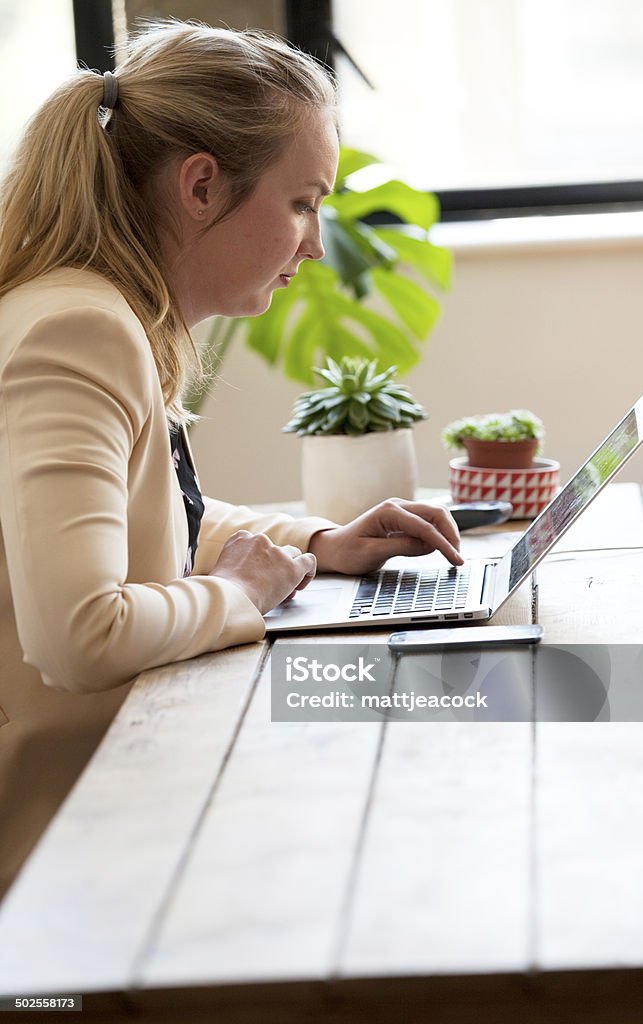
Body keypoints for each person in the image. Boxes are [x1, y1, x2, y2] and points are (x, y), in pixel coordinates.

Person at [0, 21, 462, 899]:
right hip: (57, 846)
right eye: (301, 203)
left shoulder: (102, 312)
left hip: (122, 793)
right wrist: (244, 593)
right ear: (202, 186)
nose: (316, 243)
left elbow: (157, 527)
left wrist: (315, 543)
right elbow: (78, 634)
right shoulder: (78, 329)